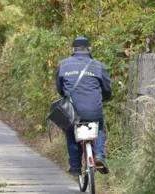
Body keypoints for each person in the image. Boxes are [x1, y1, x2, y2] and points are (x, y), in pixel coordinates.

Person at [55, 36, 112, 176]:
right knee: (99, 129)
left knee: (71, 132)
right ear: (89, 49)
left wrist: (66, 95)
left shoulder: (64, 64)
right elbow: (107, 89)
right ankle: (99, 155)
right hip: (94, 110)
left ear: (73, 49)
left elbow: (59, 88)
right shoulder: (98, 65)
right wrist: (104, 97)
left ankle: (74, 167)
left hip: (73, 111)